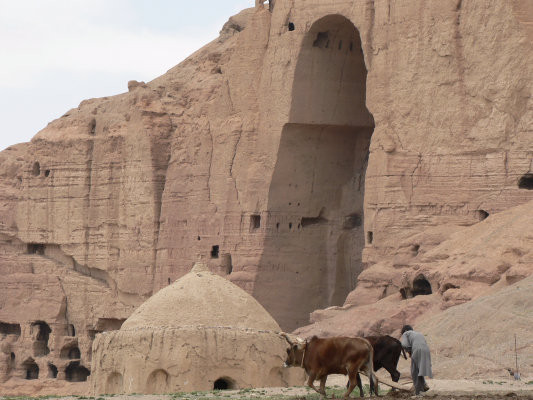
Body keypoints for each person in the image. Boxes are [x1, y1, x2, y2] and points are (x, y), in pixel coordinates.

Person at [400, 325, 432, 395]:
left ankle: (418, 393)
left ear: (405, 330)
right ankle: (424, 385)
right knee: (419, 370)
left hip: (417, 350)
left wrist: (409, 351)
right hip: (426, 350)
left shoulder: (406, 333)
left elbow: (404, 344)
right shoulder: (418, 334)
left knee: (414, 371)